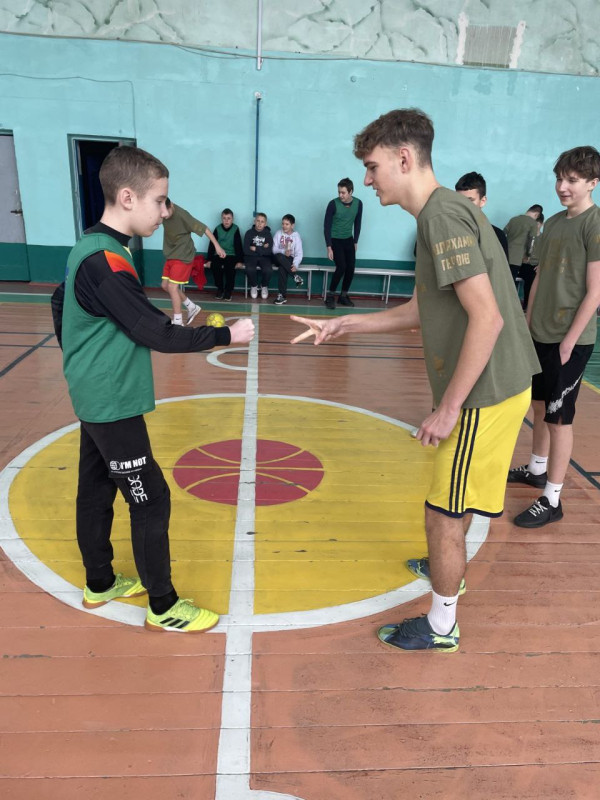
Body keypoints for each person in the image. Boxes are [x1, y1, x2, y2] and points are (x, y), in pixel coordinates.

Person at [291, 108, 539, 653]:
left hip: (485, 392)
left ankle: (442, 623)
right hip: (495, 385)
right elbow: (423, 309)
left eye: (373, 166)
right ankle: (445, 563)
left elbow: (489, 318)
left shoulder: (440, 218)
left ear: (404, 158)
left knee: (443, 509)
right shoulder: (443, 212)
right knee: (454, 494)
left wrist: (448, 408)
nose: (369, 179)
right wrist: (345, 325)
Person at [51, 145, 255, 633]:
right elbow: (157, 334)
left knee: (97, 489)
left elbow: (60, 304)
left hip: (96, 394)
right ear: (127, 197)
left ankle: (100, 582)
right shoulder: (107, 260)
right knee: (151, 499)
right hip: (112, 401)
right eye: (159, 200)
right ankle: (163, 606)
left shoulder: (92, 247)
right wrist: (228, 335)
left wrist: (80, 358)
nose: (165, 211)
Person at [508, 146, 600, 528]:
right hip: (540, 332)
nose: (562, 187)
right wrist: (528, 322)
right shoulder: (556, 223)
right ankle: (537, 470)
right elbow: (542, 275)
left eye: (572, 180)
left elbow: (595, 291)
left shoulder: (594, 224)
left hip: (570, 339)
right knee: (539, 407)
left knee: (560, 419)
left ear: (593, 183)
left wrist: (568, 342)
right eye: (559, 178)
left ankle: (553, 498)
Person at [161, 198, 226, 325]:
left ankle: (178, 322)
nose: (163, 216)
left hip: (183, 255)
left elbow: (205, 229)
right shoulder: (160, 211)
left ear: (171, 206)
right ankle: (191, 306)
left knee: (172, 287)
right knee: (165, 286)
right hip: (171, 254)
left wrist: (217, 247)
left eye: (165, 213)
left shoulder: (183, 216)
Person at [323, 178, 363, 309]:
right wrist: (329, 246)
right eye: (339, 192)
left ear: (350, 192)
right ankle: (330, 296)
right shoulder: (332, 204)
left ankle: (343, 296)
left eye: (343, 192)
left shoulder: (358, 204)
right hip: (335, 240)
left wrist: (355, 241)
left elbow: (358, 224)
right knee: (341, 267)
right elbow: (326, 226)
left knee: (351, 268)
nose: (340, 195)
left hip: (348, 240)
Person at [455, 172, 509, 260]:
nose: (463, 205)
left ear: (483, 201)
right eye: (459, 200)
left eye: (470, 200)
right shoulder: (448, 232)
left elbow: (502, 271)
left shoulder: (497, 236)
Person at [205, 207, 244, 301]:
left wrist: (240, 261)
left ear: (232, 219)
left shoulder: (235, 229)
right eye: (224, 218)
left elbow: (238, 245)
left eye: (229, 218)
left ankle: (228, 291)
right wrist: (209, 259)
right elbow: (212, 244)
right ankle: (220, 288)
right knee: (215, 266)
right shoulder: (217, 229)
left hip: (231, 255)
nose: (226, 221)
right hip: (218, 254)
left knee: (230, 268)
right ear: (221, 219)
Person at [504, 204, 543, 287]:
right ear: (537, 215)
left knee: (503, 281)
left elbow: (503, 234)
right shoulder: (533, 223)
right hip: (517, 258)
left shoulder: (514, 219)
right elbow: (531, 241)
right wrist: (528, 255)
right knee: (511, 285)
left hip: (505, 255)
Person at [271, 214, 304, 305]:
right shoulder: (278, 233)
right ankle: (295, 276)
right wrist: (283, 251)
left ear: (292, 225)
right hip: (278, 258)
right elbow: (273, 249)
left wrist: (295, 264)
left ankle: (282, 296)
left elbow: (299, 253)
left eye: (287, 224)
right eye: (283, 224)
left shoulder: (296, 236)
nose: (284, 226)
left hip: (289, 260)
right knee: (279, 256)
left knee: (283, 268)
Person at [243, 212, 273, 299]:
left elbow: (269, 251)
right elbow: (246, 250)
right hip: (251, 257)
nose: (260, 223)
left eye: (262, 222)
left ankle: (264, 286)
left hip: (265, 258)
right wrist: (262, 248)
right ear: (254, 221)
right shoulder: (248, 233)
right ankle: (254, 286)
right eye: (258, 221)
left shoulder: (268, 234)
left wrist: (255, 249)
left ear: (265, 223)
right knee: (249, 269)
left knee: (268, 270)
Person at [518, 212, 544, 311]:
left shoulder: (544, 238)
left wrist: (541, 265)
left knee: (532, 278)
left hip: (534, 265)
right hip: (522, 264)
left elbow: (548, 254)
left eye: (536, 224)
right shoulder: (525, 237)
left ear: (541, 224)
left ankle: (527, 305)